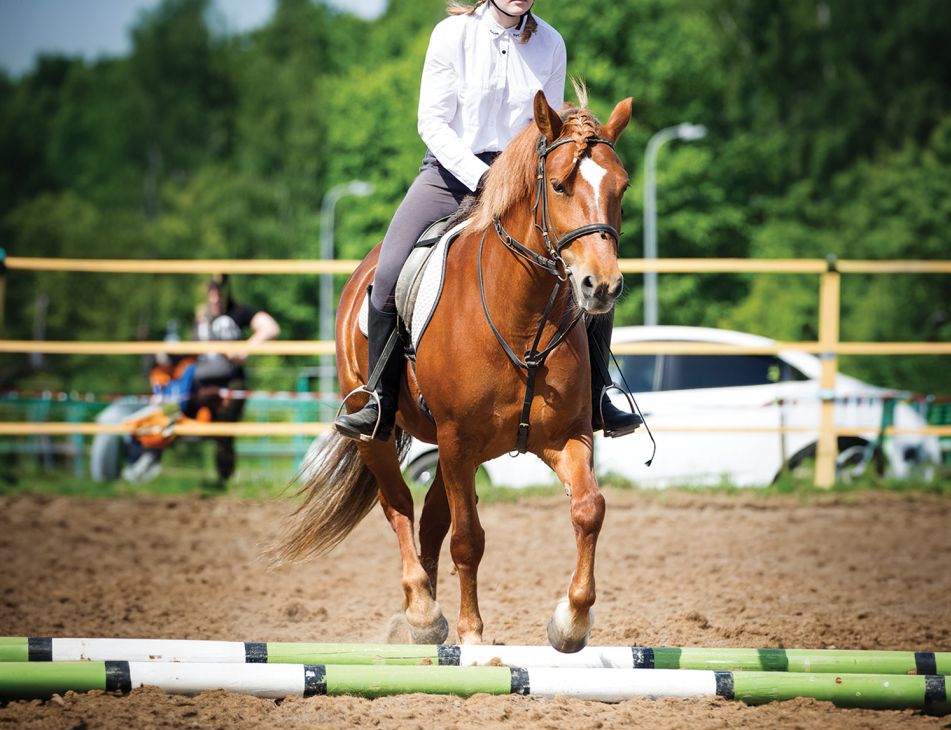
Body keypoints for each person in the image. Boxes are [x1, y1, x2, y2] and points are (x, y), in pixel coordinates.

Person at [334, 0, 642, 443]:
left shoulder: (550, 43)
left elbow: (548, 129)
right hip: (449, 174)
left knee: (589, 263)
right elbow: (433, 123)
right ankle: (380, 400)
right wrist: (484, 179)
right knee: (389, 272)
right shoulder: (452, 35)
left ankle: (596, 396)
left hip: (524, 181)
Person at [195, 275, 280, 483]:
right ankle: (219, 476)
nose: (215, 298)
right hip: (200, 385)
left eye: (220, 293)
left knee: (224, 430)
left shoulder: (238, 312)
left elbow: (271, 327)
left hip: (231, 383)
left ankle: (224, 477)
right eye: (211, 293)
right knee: (208, 430)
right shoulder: (200, 316)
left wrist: (245, 349)